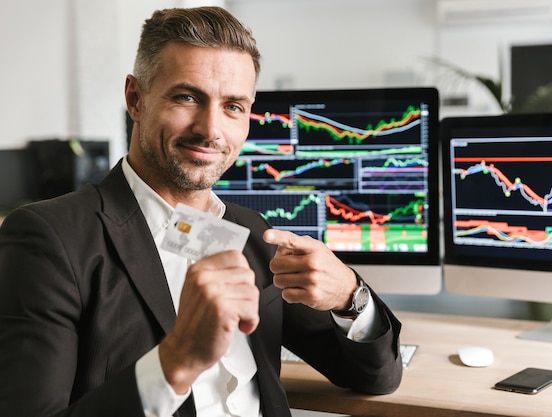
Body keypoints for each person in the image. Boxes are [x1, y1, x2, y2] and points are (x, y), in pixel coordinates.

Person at [0, 6, 402, 417]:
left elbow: (377, 377)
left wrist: (349, 296)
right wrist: (175, 362)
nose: (211, 130)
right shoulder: (49, 239)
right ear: (135, 99)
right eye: (187, 97)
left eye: (233, 106)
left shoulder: (253, 234)